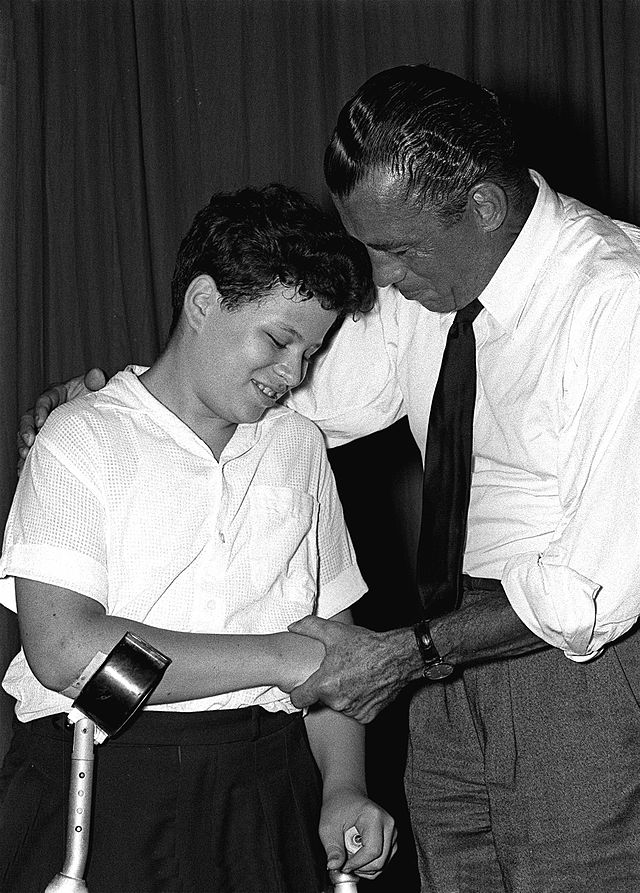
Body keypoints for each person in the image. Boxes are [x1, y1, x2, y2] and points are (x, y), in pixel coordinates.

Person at [16, 64, 640, 892]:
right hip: (433, 669)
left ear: (485, 207)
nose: (380, 280)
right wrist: (106, 406)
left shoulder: (616, 299)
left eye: (397, 250)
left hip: (568, 667)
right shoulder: (425, 282)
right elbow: (260, 391)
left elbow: (592, 589)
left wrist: (398, 656)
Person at [0, 183, 397, 893]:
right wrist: (280, 656)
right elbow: (63, 650)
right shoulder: (81, 437)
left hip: (264, 787)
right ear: (204, 301)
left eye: (311, 352)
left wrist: (344, 786)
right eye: (278, 340)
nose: (293, 374)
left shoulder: (299, 447)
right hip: (106, 774)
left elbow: (331, 646)